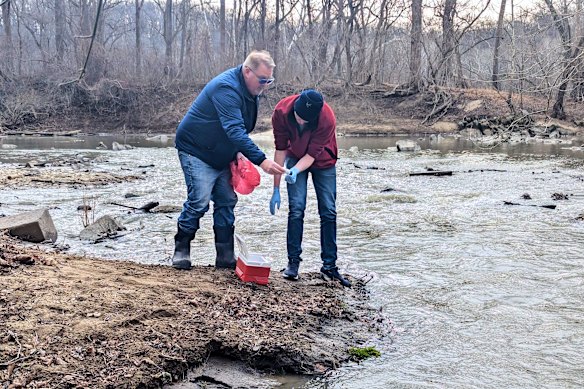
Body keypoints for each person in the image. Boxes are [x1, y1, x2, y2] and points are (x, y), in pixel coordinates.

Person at [172, 50, 286, 270]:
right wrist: (262, 161)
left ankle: (225, 256)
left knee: (226, 200)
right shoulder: (226, 88)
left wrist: (238, 152)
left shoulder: (251, 89)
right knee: (199, 200)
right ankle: (181, 249)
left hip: (222, 152)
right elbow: (234, 130)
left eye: (269, 80)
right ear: (247, 71)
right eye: (262, 79)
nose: (265, 85)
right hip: (195, 149)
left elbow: (240, 128)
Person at [269, 89, 351, 287]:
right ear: (295, 108)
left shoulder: (326, 118)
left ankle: (329, 266)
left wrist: (295, 171)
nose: (301, 123)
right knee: (296, 209)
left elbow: (312, 155)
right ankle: (293, 263)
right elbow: (280, 149)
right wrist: (276, 188)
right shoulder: (281, 111)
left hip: (323, 161)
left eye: (307, 121)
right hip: (294, 155)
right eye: (299, 118)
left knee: (329, 211)